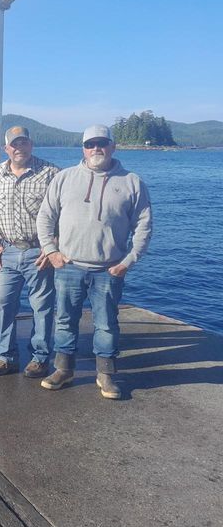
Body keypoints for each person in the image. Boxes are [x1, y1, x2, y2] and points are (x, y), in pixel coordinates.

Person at [36, 124, 153, 399]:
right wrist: (52, 252)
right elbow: (45, 217)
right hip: (68, 266)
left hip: (109, 269)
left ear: (113, 146)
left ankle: (106, 375)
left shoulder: (132, 181)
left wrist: (129, 260)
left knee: (107, 324)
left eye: (102, 143)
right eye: (90, 144)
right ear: (83, 149)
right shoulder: (64, 178)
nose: (96, 148)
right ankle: (63, 370)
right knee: (64, 321)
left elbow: (144, 225)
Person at [0, 126, 60, 378]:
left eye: (23, 143)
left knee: (42, 307)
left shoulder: (50, 173)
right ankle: (7, 357)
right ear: (6, 148)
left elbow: (65, 213)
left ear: (31, 144)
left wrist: (53, 245)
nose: (19, 148)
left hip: (39, 252)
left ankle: (40, 358)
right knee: (2, 304)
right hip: (7, 252)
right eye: (14, 144)